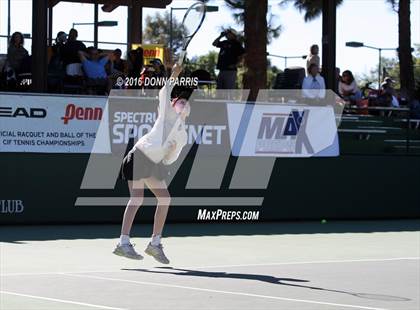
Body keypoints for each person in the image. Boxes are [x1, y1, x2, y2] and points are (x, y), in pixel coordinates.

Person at [114, 63, 191, 264]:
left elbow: (168, 161)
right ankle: (123, 243)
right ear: (173, 105)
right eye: (180, 100)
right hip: (139, 155)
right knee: (137, 199)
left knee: (165, 199)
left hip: (153, 164)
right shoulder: (167, 113)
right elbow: (166, 90)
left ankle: (155, 244)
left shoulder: (183, 135)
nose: (184, 103)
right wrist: (174, 73)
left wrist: (172, 150)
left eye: (186, 102)